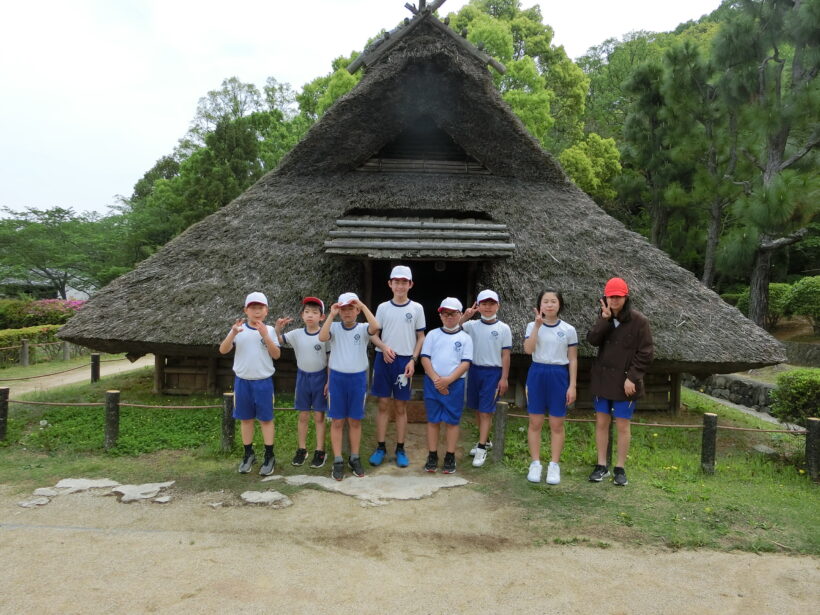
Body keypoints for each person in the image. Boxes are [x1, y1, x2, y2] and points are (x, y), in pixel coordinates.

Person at [586, 277, 654, 487]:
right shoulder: (604, 316)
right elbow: (592, 340)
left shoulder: (638, 321)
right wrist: (603, 320)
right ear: (605, 297)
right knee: (602, 423)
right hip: (603, 380)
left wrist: (632, 377)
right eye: (610, 296)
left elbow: (646, 352)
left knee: (623, 425)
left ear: (625, 297)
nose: (614, 300)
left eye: (617, 296)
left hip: (626, 382)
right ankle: (601, 465)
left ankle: (620, 468)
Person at [368, 265, 426, 469]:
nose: (400, 285)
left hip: (404, 362)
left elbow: (421, 337)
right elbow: (373, 334)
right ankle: (381, 447)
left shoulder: (416, 308)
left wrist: (413, 359)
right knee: (383, 404)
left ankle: (400, 448)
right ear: (390, 284)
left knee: (401, 406)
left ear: (410, 284)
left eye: (404, 282)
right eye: (396, 281)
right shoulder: (383, 308)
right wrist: (383, 347)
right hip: (384, 360)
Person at [218, 291, 281, 476]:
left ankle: (269, 456)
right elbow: (223, 350)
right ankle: (248, 454)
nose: (257, 312)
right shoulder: (238, 329)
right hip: (242, 381)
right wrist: (233, 333)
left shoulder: (269, 330)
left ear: (266, 311)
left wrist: (265, 336)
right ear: (246, 310)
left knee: (266, 420)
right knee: (246, 419)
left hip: (263, 382)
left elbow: (276, 355)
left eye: (260, 308)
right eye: (253, 308)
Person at [318, 292, 379, 481]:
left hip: (357, 379)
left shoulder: (362, 328)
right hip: (337, 378)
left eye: (351, 309)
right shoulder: (334, 327)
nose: (347, 312)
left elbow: (376, 327)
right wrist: (331, 315)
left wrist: (361, 304)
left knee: (354, 420)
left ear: (357, 310)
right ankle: (337, 460)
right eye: (343, 309)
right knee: (337, 421)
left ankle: (354, 457)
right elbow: (321, 337)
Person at [523, 289, 578, 485]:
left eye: (553, 301)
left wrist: (572, 385)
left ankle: (554, 465)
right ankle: (535, 463)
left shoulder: (569, 329)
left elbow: (572, 359)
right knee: (535, 422)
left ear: (559, 304)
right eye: (545, 301)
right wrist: (537, 327)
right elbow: (528, 350)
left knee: (556, 423)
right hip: (537, 373)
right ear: (540, 305)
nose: (549, 305)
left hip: (559, 375)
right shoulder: (532, 325)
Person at [419, 297, 473, 474]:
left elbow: (465, 363)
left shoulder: (465, 338)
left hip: (455, 383)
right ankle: (432, 454)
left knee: (452, 420)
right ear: (440, 315)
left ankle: (450, 455)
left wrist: (448, 380)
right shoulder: (433, 334)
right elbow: (425, 358)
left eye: (453, 313)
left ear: (460, 314)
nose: (449, 317)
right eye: (445, 313)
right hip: (432, 381)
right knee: (433, 420)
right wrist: (437, 380)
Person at [275, 297, 330, 469]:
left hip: (320, 378)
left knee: (319, 416)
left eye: (315, 312)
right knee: (303, 415)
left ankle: (320, 450)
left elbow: (330, 359)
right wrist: (278, 329)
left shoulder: (325, 335)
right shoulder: (296, 334)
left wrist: (329, 381)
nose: (310, 316)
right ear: (302, 315)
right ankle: (302, 449)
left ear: (321, 317)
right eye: (307, 312)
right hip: (303, 378)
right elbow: (277, 341)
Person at [460, 289, 512, 468]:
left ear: (498, 305)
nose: (488, 307)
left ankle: (481, 447)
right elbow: (452, 328)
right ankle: (486, 440)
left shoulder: (503, 328)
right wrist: (466, 316)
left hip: (493, 372)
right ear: (478, 306)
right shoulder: (471, 325)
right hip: (474, 370)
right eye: (484, 304)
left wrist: (504, 378)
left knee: (486, 411)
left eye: (491, 304)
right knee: (476, 409)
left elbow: (506, 354)